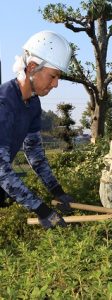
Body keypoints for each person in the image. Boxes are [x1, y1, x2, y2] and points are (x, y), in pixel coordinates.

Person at [0, 30, 75, 229]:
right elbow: (1, 169)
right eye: (53, 76)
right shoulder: (4, 105)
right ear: (32, 67)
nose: (56, 84)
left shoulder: (33, 105)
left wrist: (57, 191)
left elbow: (34, 154)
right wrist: (41, 210)